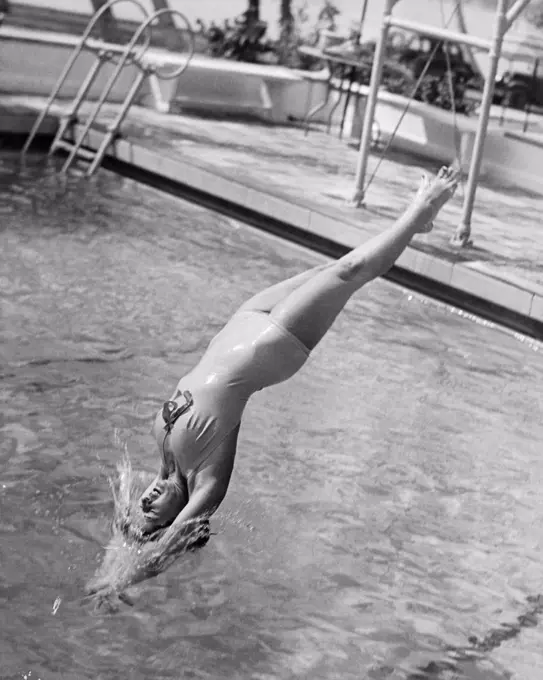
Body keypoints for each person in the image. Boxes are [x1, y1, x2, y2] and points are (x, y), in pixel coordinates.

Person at [87, 166, 459, 601]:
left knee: (330, 268)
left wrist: (114, 557)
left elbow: (129, 531)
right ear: (175, 517)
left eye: (141, 508)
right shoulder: (208, 477)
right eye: (155, 516)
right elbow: (170, 544)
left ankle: (416, 225)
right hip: (272, 347)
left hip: (244, 321)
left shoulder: (166, 455)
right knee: (350, 271)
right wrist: (124, 580)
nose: (145, 504)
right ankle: (421, 209)